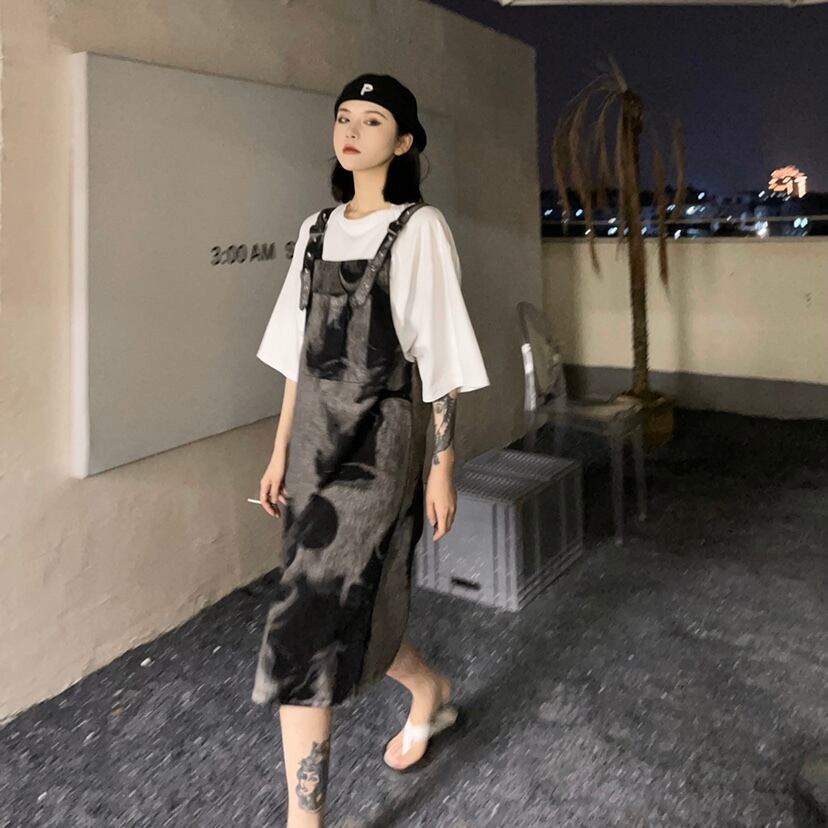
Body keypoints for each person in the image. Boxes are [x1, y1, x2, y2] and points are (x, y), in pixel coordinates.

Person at [251, 72, 490, 827]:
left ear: (405, 141)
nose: (352, 130)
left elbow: (442, 359)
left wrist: (443, 467)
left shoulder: (420, 228)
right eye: (344, 117)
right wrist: (278, 452)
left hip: (380, 448)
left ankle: (306, 821)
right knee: (346, 601)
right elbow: (297, 357)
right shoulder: (315, 229)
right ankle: (427, 689)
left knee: (305, 617)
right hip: (314, 446)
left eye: (373, 120)